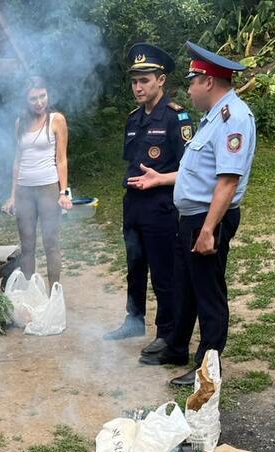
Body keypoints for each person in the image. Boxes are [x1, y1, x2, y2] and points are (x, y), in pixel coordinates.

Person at [139, 41, 257, 386]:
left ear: (208, 81)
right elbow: (199, 171)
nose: (188, 89)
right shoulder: (213, 118)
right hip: (190, 218)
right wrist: (163, 178)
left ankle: (208, 366)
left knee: (208, 292)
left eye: (192, 81)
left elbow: (227, 182)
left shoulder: (234, 119)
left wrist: (208, 230)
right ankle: (176, 347)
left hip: (208, 219)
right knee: (184, 286)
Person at [104, 43, 195, 355]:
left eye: (145, 80)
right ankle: (134, 319)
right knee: (135, 265)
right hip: (134, 205)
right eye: (134, 81)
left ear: (161, 80)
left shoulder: (176, 117)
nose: (138, 87)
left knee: (163, 271)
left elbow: (190, 170)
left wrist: (159, 179)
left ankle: (167, 332)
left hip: (161, 206)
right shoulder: (133, 119)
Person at [1, 76, 71, 285]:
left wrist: (63, 192)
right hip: (24, 190)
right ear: (26, 100)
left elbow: (61, 159)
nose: (39, 102)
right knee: (27, 246)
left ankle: (54, 292)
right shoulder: (20, 123)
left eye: (42, 96)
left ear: (48, 95)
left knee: (51, 243)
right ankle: (31, 293)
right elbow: (17, 159)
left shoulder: (56, 119)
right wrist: (12, 196)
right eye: (33, 98)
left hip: (48, 188)